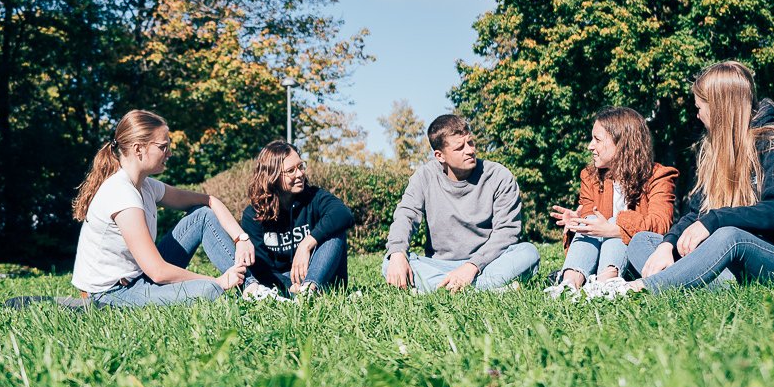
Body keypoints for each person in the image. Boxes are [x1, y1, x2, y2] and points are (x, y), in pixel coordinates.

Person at [624, 61, 774, 293]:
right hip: (733, 266)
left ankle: (641, 288)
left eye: (700, 108)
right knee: (643, 241)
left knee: (730, 236)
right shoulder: (715, 150)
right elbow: (696, 214)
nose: (697, 116)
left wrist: (714, 220)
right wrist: (667, 245)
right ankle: (686, 283)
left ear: (720, 108)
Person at [69, 110, 257, 307]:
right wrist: (218, 282)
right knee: (209, 291)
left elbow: (209, 201)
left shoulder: (147, 186)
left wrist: (241, 238)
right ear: (138, 149)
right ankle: (240, 287)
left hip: (138, 278)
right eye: (163, 147)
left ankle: (252, 288)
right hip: (110, 295)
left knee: (201, 216)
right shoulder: (121, 194)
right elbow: (158, 272)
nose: (169, 153)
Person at [382, 114, 540, 293]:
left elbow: (507, 233)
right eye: (460, 148)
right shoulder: (424, 176)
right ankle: (484, 290)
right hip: (440, 266)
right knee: (390, 263)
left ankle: (438, 289)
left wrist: (472, 266)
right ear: (440, 156)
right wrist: (397, 253)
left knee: (528, 253)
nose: (470, 150)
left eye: (470, 143)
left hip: (486, 264)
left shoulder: (499, 176)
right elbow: (406, 215)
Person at [548, 107, 679, 290]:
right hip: (596, 258)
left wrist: (614, 228)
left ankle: (605, 284)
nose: (590, 146)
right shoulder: (590, 176)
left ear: (622, 143)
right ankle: (569, 284)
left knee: (616, 220)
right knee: (591, 219)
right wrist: (579, 222)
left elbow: (660, 225)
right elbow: (591, 224)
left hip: (637, 258)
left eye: (598, 140)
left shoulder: (658, 176)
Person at [238, 141, 353, 296]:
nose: (299, 174)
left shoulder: (314, 196)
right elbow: (261, 268)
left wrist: (307, 243)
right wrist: (288, 286)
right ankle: (300, 294)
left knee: (335, 230)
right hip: (280, 281)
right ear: (273, 176)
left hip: (320, 274)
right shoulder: (254, 215)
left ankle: (308, 292)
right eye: (291, 170)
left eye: (300, 166)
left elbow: (344, 214)